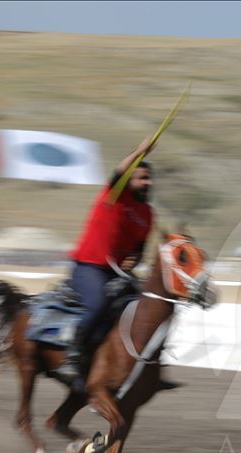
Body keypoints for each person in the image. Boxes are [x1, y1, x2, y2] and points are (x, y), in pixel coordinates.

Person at [53, 136, 157, 389]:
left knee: (144, 310)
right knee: (98, 303)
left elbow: (139, 250)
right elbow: (119, 171)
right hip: (89, 266)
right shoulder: (114, 195)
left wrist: (136, 260)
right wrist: (140, 151)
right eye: (142, 178)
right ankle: (73, 357)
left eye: (150, 178)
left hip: (118, 273)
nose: (148, 183)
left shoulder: (148, 213)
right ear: (129, 180)